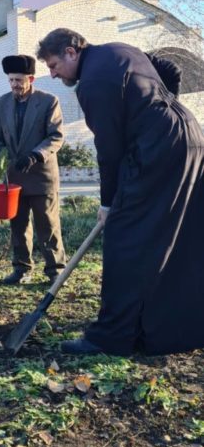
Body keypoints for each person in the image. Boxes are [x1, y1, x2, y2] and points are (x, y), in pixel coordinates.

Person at [36, 28, 204, 356]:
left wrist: (108, 203)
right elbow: (171, 71)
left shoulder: (94, 84)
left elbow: (109, 150)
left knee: (125, 239)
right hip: (191, 136)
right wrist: (160, 111)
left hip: (158, 149)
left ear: (72, 51)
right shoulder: (122, 49)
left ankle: (110, 337)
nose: (52, 74)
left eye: (54, 65)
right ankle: (171, 326)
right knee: (176, 234)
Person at [0, 54, 66, 285]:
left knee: (48, 227)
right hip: (13, 178)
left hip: (42, 176)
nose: (14, 84)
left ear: (31, 78)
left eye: (19, 80)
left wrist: (35, 155)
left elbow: (56, 136)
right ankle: (21, 269)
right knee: (18, 226)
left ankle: (56, 272)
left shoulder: (48, 101)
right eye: (11, 80)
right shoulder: (0, 103)